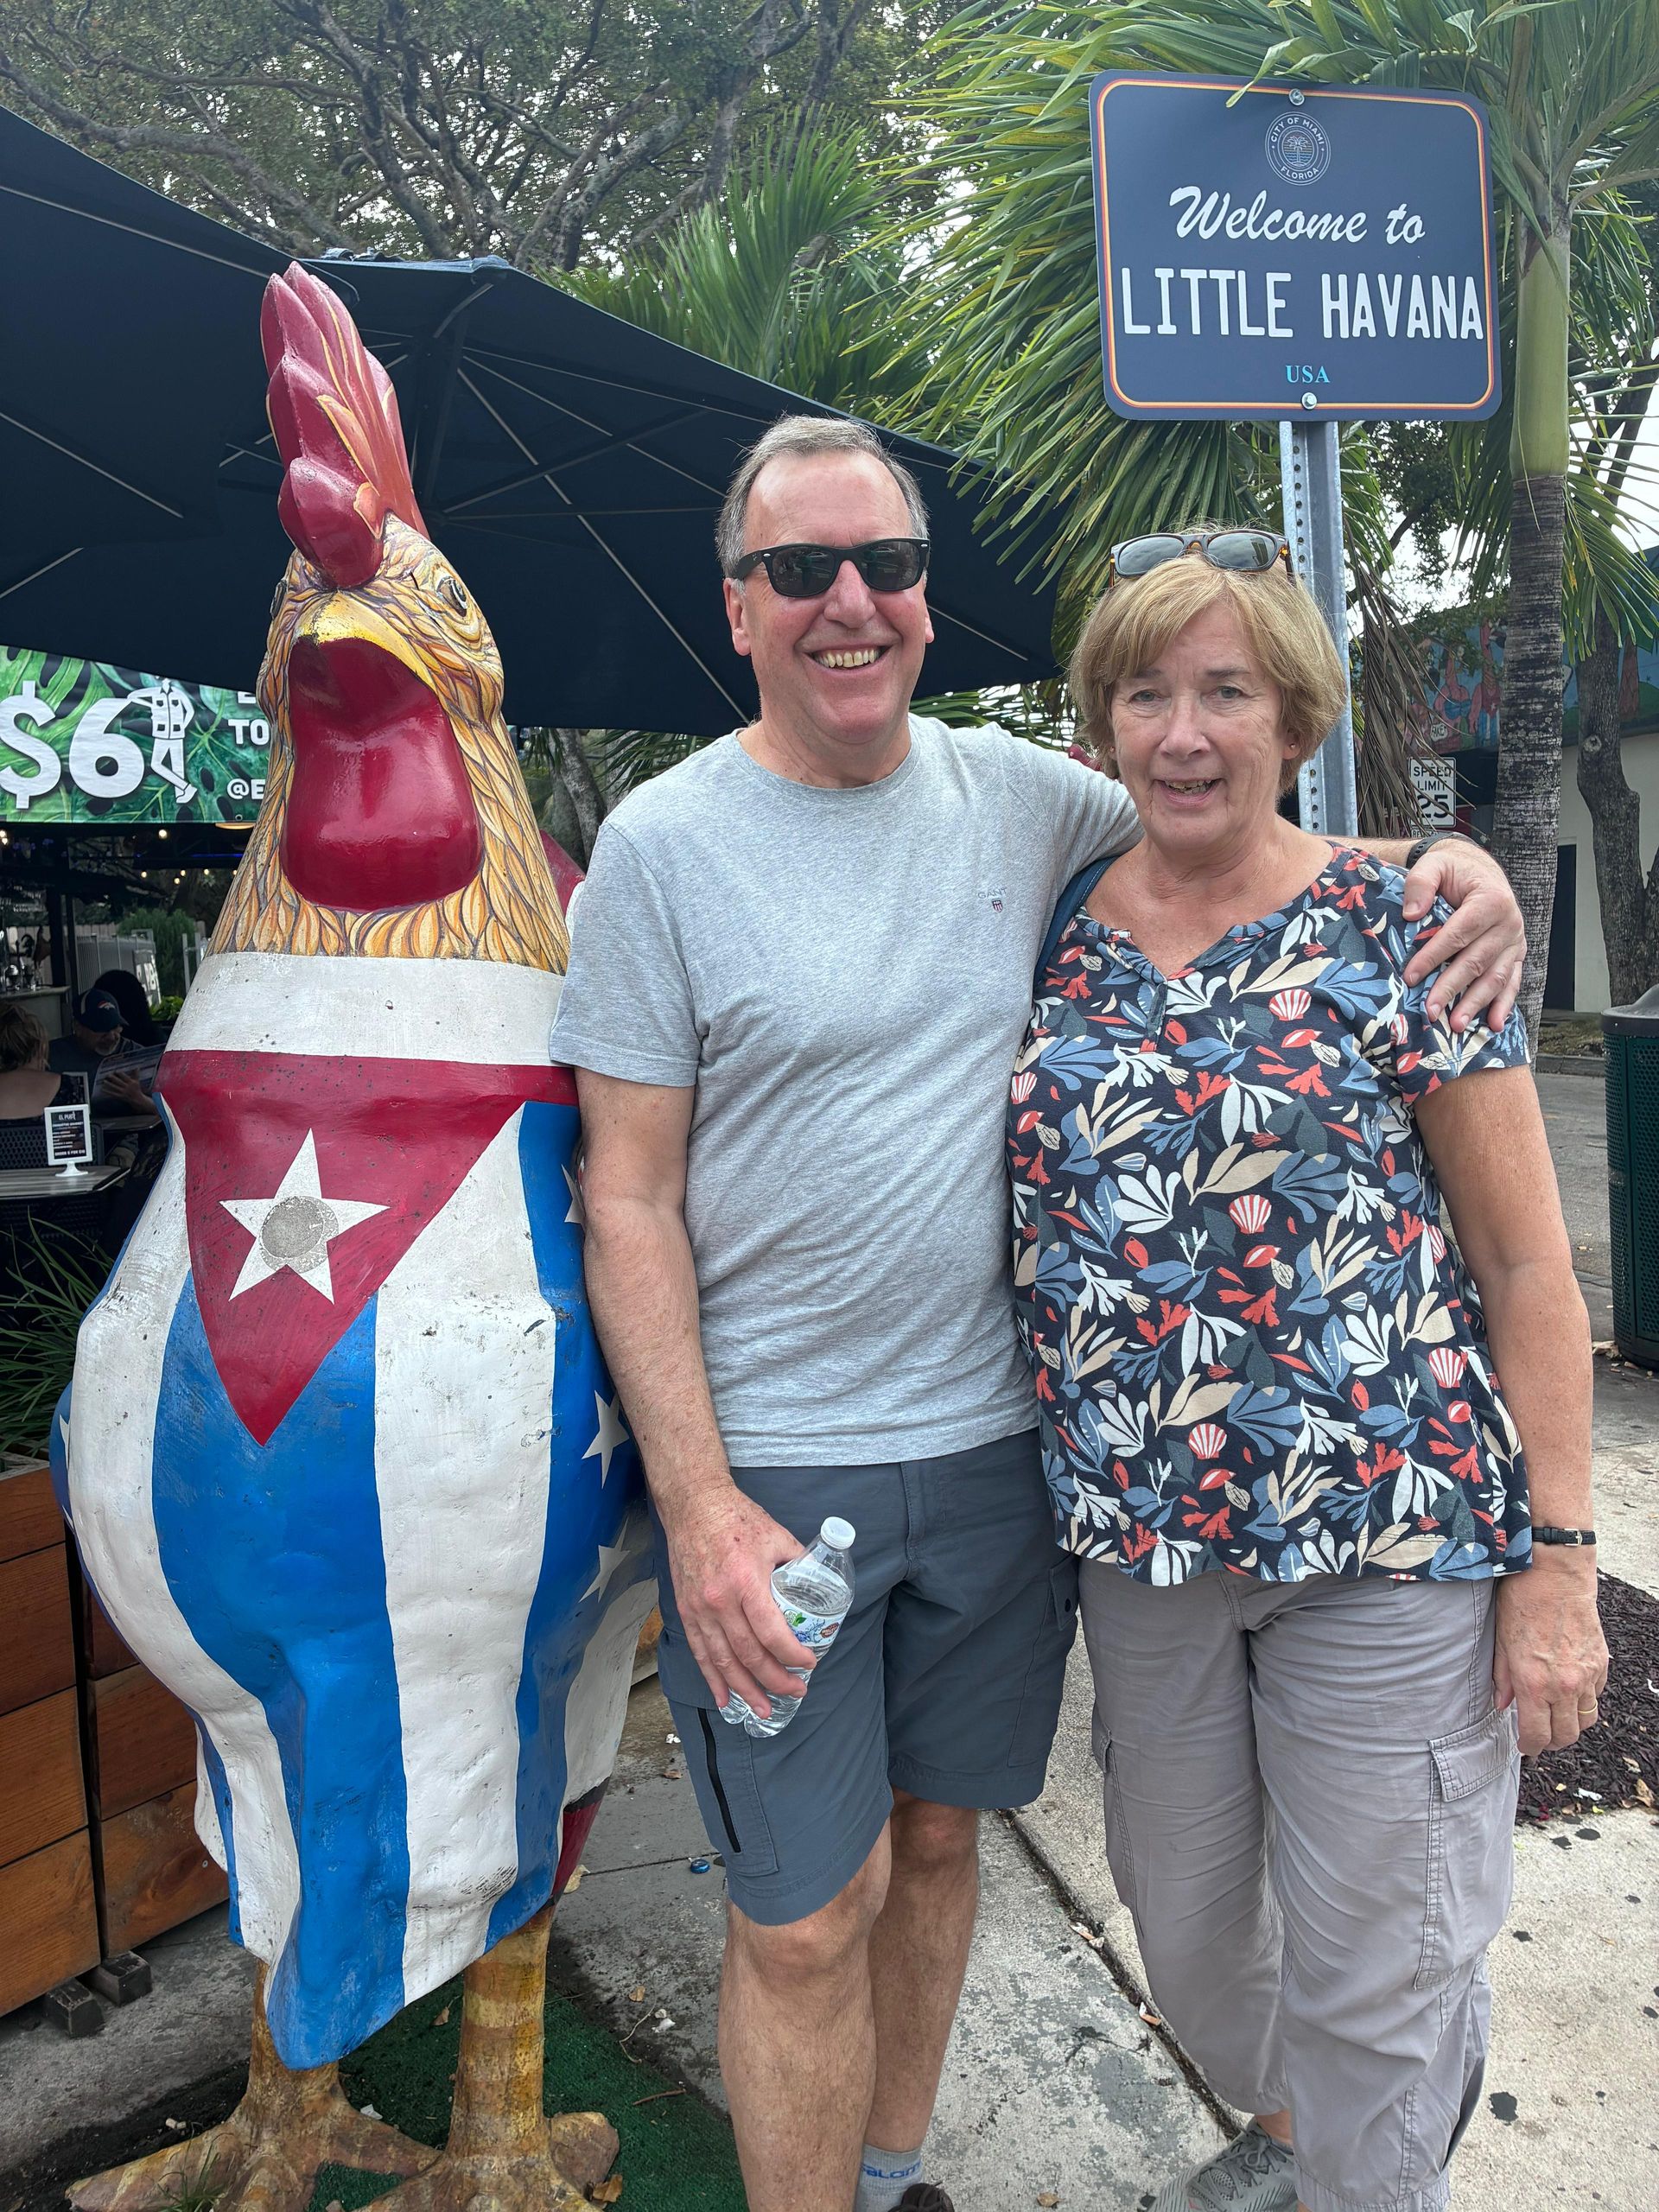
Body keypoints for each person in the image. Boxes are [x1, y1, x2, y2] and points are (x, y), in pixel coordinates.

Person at [550, 419, 1529, 2212]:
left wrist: (1453, 869)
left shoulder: (1027, 801)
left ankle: (904, 2167)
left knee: (938, 1846)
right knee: (799, 1912)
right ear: (740, 608)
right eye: (800, 570)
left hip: (1013, 1466)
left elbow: (1238, 813)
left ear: (926, 600)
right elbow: (623, 1193)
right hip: (780, 1471)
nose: (850, 601)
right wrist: (695, 1505)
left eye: (887, 565)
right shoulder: (664, 847)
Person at [1007, 532, 1605, 2212]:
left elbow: (1527, 1262)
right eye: (1146, 691)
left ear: (1295, 715)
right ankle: (1323, 2109)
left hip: (1388, 1541)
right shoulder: (1056, 921)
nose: (1184, 730)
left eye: (1226, 691)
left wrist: (1558, 1562)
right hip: (1148, 1554)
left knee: (1373, 1964)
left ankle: (1374, 2144)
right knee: (1190, 1933)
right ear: (1102, 723)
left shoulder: (1399, 917)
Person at [48, 985, 156, 1120]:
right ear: (77, 1027)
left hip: (126, 1138)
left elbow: (172, 1113)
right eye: (101, 1028)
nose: (111, 1037)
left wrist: (137, 1098)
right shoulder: (52, 1055)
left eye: (115, 1027)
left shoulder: (137, 1056)